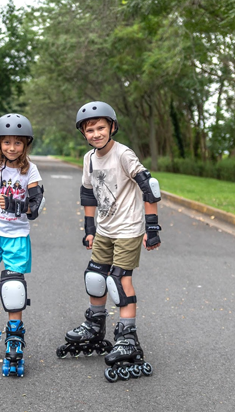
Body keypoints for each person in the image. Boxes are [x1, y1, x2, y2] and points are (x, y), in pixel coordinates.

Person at [56, 101, 161, 383]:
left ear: (112, 127)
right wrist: (89, 228)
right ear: (84, 133)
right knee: (95, 278)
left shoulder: (123, 154)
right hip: (104, 229)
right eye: (89, 130)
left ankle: (127, 337)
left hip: (128, 229)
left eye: (100, 127)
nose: (95, 133)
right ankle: (94, 326)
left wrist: (152, 228)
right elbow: (88, 192)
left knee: (119, 281)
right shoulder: (89, 159)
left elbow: (149, 187)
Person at [0, 114, 45, 377]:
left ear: (26, 144)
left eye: (17, 143)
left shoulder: (30, 170)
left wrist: (17, 205)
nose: (11, 148)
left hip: (17, 235)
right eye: (6, 142)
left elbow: (35, 206)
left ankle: (14, 336)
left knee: (13, 287)